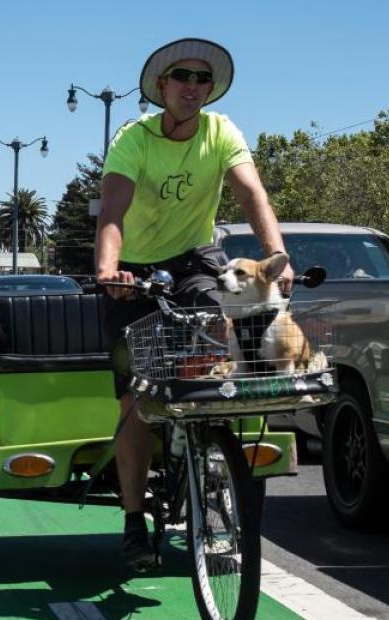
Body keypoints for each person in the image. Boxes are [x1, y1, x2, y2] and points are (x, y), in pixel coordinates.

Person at [96, 38, 293, 570]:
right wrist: (109, 270)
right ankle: (134, 521)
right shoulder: (132, 140)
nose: (192, 86)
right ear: (162, 86)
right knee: (135, 398)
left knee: (217, 353)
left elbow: (253, 195)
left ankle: (212, 487)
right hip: (134, 268)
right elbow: (112, 213)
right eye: (181, 76)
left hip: (195, 257)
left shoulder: (221, 131)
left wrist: (277, 253)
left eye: (202, 80)